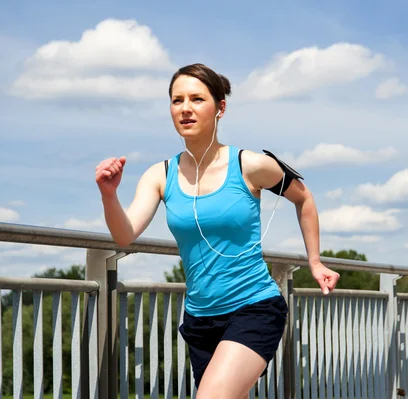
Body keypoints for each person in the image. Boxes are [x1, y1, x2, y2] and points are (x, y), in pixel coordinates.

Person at [95, 63, 340, 399]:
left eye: (197, 99)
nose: (185, 108)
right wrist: (109, 195)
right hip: (200, 320)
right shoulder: (160, 175)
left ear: (220, 107)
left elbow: (304, 197)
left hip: (254, 307)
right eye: (176, 100)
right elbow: (124, 235)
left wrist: (315, 261)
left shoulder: (249, 165)